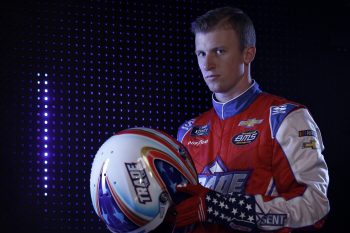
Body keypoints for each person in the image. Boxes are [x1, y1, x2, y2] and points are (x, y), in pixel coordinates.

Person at [174, 6, 330, 233]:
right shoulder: (187, 132)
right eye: (201, 53)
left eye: (219, 51)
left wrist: (223, 208)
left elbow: (315, 206)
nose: (207, 65)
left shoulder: (286, 118)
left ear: (248, 54)